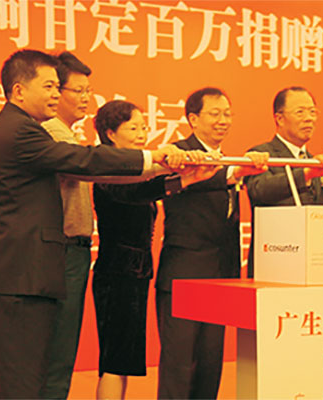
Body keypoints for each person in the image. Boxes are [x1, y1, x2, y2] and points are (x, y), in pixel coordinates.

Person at [0, 49, 185, 399]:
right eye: (49, 86)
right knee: (23, 382)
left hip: (12, 275)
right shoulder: (23, 132)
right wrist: (151, 157)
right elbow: (83, 160)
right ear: (19, 90)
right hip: (22, 278)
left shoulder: (16, 127)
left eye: (58, 87)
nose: (56, 94)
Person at [91, 100, 216, 399]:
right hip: (117, 272)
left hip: (134, 273)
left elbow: (148, 184)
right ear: (110, 134)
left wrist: (191, 175)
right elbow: (135, 191)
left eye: (144, 127)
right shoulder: (106, 167)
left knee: (122, 361)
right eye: (132, 128)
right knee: (114, 360)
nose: (141, 134)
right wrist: (185, 178)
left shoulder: (135, 169)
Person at [155, 87, 268, 399]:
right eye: (215, 114)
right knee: (178, 365)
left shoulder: (229, 159)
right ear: (193, 119)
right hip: (183, 276)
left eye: (227, 114)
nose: (223, 120)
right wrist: (237, 170)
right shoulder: (179, 153)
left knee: (209, 364)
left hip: (219, 277)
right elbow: (192, 181)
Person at [39, 51, 94, 399]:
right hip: (64, 251)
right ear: (55, 92)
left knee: (60, 350)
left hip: (71, 251)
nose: (86, 98)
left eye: (89, 91)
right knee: (57, 351)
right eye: (79, 90)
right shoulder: (52, 132)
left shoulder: (65, 133)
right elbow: (92, 167)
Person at [244, 86, 323, 277]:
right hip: (274, 260)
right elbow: (259, 190)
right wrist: (306, 174)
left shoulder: (312, 160)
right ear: (279, 118)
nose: (309, 118)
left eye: (312, 112)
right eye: (300, 112)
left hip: (313, 261)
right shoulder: (262, 154)